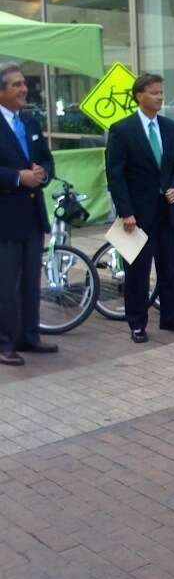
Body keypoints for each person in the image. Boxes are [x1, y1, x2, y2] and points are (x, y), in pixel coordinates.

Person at [105, 73, 174, 343]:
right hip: (136, 214)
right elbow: (115, 175)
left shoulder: (170, 128)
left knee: (168, 267)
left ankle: (170, 317)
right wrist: (125, 212)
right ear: (139, 95)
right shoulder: (122, 130)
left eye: (161, 92)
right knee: (137, 272)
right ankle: (137, 323)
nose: (160, 96)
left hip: (165, 211)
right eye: (154, 92)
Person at [0, 62, 57, 366]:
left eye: (24, 83)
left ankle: (29, 337)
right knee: (5, 285)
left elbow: (47, 161)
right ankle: (5, 343)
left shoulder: (31, 122)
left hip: (32, 217)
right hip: (5, 219)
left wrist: (42, 173)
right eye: (16, 85)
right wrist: (17, 177)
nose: (24, 89)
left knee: (31, 283)